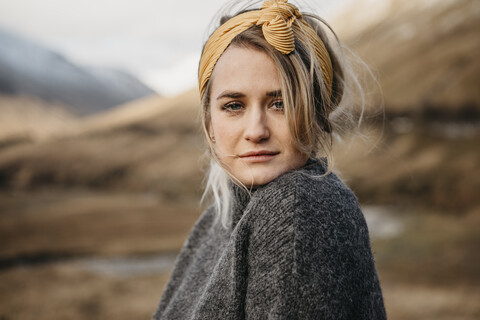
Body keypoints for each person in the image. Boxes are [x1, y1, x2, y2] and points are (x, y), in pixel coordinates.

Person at [153, 0, 386, 319]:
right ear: (208, 120)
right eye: (233, 106)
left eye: (280, 103)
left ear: (316, 114)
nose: (256, 131)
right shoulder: (215, 221)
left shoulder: (297, 208)